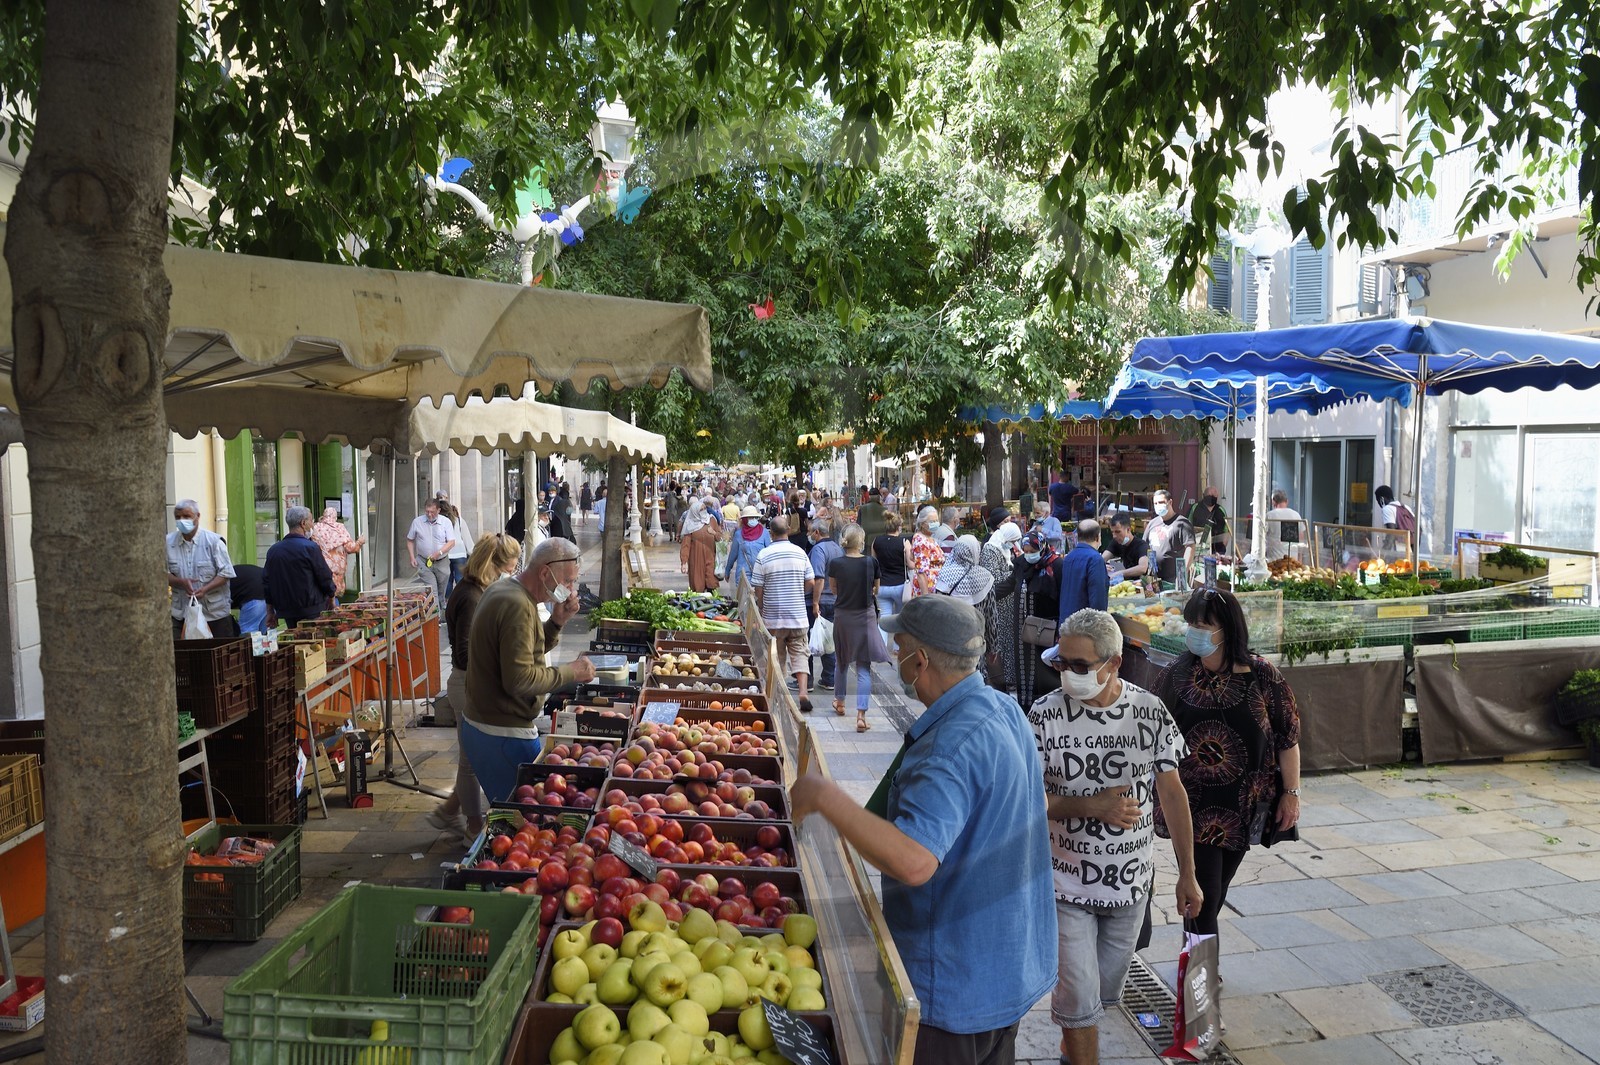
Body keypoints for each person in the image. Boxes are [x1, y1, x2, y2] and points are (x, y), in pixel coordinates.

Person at [790, 595, 1055, 1064]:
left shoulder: (947, 750)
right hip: (1008, 964)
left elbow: (914, 861)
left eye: (901, 646)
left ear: (921, 659)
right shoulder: (1003, 708)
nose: (894, 653)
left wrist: (825, 797)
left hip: (953, 986)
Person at [1030, 609, 1202, 1065]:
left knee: (1099, 1000)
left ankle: (1073, 1046)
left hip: (1129, 888)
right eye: (1061, 662)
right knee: (1081, 1002)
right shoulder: (1044, 716)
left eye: (1080, 665)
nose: (1068, 673)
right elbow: (1026, 801)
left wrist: (1188, 874)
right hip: (1062, 885)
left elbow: (1172, 793)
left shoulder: (1149, 713)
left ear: (1115, 663)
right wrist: (1089, 806)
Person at [1152, 588, 1302, 953]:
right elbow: (1151, 732)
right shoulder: (1176, 675)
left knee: (1214, 893)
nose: (1194, 631)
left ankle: (1195, 957)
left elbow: (1288, 738)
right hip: (1191, 805)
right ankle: (1201, 978)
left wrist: (1291, 794)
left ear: (1227, 629)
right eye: (1191, 623)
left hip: (1244, 804)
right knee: (1204, 889)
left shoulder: (1263, 675)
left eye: (1203, 624)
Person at [463, 538, 596, 803]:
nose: (571, 590)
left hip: (489, 726)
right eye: (568, 581)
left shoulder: (508, 589)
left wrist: (557, 622)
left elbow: (523, 653)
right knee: (520, 816)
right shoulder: (516, 605)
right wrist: (571, 672)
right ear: (545, 572)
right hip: (501, 732)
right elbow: (520, 679)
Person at [429, 532, 520, 844]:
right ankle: (473, 825)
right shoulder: (470, 597)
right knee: (471, 761)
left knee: (473, 756)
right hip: (467, 685)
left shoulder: (480, 590)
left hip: (472, 683)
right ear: (492, 565)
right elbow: (466, 654)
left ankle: (447, 812)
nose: (512, 571)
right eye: (510, 566)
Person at [751, 516, 818, 713]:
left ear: (770, 533)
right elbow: (811, 582)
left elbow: (758, 587)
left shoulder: (764, 555)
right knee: (800, 653)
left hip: (773, 617)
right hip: (797, 615)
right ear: (788, 530)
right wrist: (798, 592)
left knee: (776, 657)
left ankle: (778, 696)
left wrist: (762, 606)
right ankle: (803, 692)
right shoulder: (800, 553)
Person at [826, 524, 889, 731]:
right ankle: (861, 714)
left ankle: (840, 701)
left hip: (843, 616)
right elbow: (876, 590)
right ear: (861, 542)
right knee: (864, 666)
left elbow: (834, 590)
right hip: (866, 616)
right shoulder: (871, 563)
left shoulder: (836, 563)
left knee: (842, 661)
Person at [166, 498, 238, 639]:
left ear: (197, 516)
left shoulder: (213, 541)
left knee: (217, 655)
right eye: (178, 517)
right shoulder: (168, 542)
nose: (182, 520)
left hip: (213, 614)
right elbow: (162, 574)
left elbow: (226, 572)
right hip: (181, 613)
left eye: (186, 516)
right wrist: (180, 582)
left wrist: (205, 589)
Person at [263, 506, 336, 629]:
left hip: (286, 611)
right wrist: (331, 597)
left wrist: (270, 611)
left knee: (297, 641)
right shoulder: (310, 548)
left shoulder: (274, 551)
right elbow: (324, 577)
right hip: (312, 609)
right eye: (311, 521)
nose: (312, 526)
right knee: (313, 643)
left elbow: (267, 583)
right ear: (303, 523)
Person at [983, 510, 1024, 693]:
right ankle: (1002, 678)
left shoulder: (1004, 549)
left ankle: (1010, 677)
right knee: (1000, 641)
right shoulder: (990, 550)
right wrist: (1015, 574)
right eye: (1012, 541)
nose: (1014, 545)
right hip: (999, 605)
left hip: (1009, 603)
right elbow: (993, 579)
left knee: (1010, 641)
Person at [808, 517, 843, 691]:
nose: (809, 535)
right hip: (836, 599)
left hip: (822, 600)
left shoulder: (818, 549)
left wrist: (815, 602)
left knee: (808, 639)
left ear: (816, 532)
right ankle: (829, 678)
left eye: (810, 531)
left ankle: (806, 680)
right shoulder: (837, 548)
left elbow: (818, 578)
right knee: (829, 640)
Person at [406, 498, 456, 614]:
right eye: (427, 511)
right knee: (432, 590)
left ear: (438, 510)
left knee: (441, 590)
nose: (429, 514)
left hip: (441, 561)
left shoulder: (445, 522)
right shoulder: (417, 522)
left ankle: (441, 604)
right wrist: (412, 557)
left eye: (432, 512)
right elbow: (410, 540)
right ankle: (436, 616)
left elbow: (451, 542)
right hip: (423, 561)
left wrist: (439, 553)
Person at [309, 506, 367, 600]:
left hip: (321, 568)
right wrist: (360, 542)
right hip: (337, 569)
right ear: (335, 517)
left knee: (324, 595)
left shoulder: (316, 528)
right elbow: (351, 548)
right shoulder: (339, 528)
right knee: (333, 594)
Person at [1058, 519, 1110, 623]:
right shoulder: (1095, 559)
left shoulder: (1069, 557)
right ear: (1097, 537)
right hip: (1084, 626)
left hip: (1066, 622)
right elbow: (1098, 599)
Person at [873, 510, 913, 639]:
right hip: (900, 585)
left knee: (884, 616)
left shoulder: (876, 541)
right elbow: (910, 564)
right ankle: (897, 647)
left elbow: (874, 563)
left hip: (882, 585)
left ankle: (881, 649)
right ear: (898, 527)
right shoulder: (904, 543)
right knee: (900, 616)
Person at [1150, 491, 1196, 587]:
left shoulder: (1182, 523)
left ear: (1170, 502)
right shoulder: (1152, 523)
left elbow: (1190, 548)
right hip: (1154, 579)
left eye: (1161, 502)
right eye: (1155, 503)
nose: (1158, 505)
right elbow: (1146, 547)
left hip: (1173, 580)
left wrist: (1181, 575)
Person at [723, 505, 771, 590]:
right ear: (745, 520)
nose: (753, 520)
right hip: (743, 575)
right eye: (750, 518)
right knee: (744, 600)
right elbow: (733, 555)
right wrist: (727, 570)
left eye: (754, 517)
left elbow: (769, 553)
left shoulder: (764, 533)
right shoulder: (738, 534)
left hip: (761, 573)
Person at [678, 497, 719, 592]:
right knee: (697, 585)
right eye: (701, 510)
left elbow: (721, 537)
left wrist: (714, 533)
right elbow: (686, 545)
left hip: (710, 557)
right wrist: (684, 562)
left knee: (711, 583)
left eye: (705, 509)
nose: (704, 511)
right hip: (696, 559)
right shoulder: (690, 525)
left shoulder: (711, 520)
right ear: (695, 511)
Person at [1102, 511, 1149, 581]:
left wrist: (1120, 573)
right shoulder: (1116, 542)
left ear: (1128, 530)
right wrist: (1102, 566)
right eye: (1112, 532)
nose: (1114, 536)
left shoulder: (1141, 545)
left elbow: (1142, 568)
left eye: (1118, 532)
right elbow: (1101, 559)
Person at [910, 506, 945, 596]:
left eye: (936, 521)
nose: (935, 523)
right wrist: (926, 597)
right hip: (928, 591)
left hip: (935, 589)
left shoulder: (930, 538)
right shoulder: (920, 541)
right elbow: (921, 571)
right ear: (922, 524)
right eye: (932, 522)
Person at [1264, 490, 1304, 562]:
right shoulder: (1296, 515)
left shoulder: (1269, 516)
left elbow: (1262, 537)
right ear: (1287, 501)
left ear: (1273, 502)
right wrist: (1300, 559)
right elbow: (1301, 538)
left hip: (1274, 561)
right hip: (1293, 560)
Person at [1188, 485, 1230, 554]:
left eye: (1214, 496)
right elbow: (1187, 527)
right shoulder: (1195, 508)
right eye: (1209, 495)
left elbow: (1226, 530)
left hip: (1218, 549)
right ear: (1203, 495)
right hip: (1199, 548)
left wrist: (1223, 546)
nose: (1211, 498)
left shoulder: (1221, 510)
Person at [230, 563, 269, 635]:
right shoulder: (231, 572)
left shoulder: (220, 580)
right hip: (270, 596)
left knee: (248, 633)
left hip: (254, 597)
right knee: (263, 635)